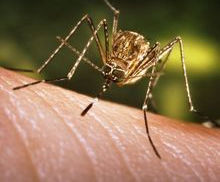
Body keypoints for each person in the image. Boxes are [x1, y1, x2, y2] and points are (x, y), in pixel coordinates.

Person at [0, 68, 219, 181]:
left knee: (173, 41)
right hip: (120, 59)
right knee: (93, 21)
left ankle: (167, 104)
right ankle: (57, 74)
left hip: (132, 67)